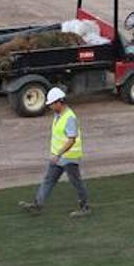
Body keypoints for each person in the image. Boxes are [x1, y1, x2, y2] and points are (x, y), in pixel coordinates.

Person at [19, 88, 92, 217]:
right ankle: (38, 204)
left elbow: (71, 140)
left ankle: (85, 207)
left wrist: (58, 154)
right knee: (49, 180)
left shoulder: (70, 118)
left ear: (59, 102)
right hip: (57, 157)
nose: (50, 107)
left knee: (76, 182)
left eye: (52, 104)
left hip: (69, 157)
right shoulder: (58, 115)